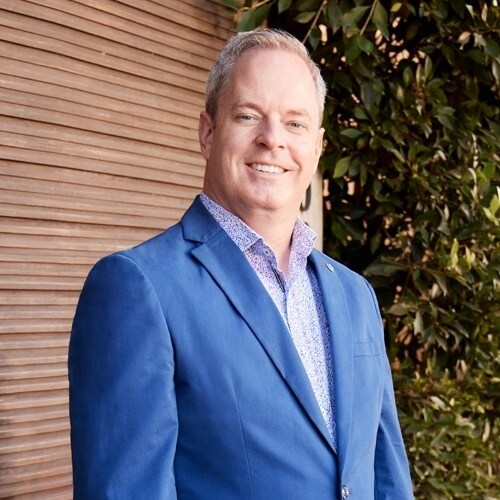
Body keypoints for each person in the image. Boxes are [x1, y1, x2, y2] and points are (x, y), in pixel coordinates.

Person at [68, 29, 413, 499]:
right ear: (208, 133)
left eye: (295, 123)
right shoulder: (138, 287)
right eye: (249, 115)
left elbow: (387, 476)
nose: (272, 140)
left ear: (318, 147)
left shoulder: (355, 295)